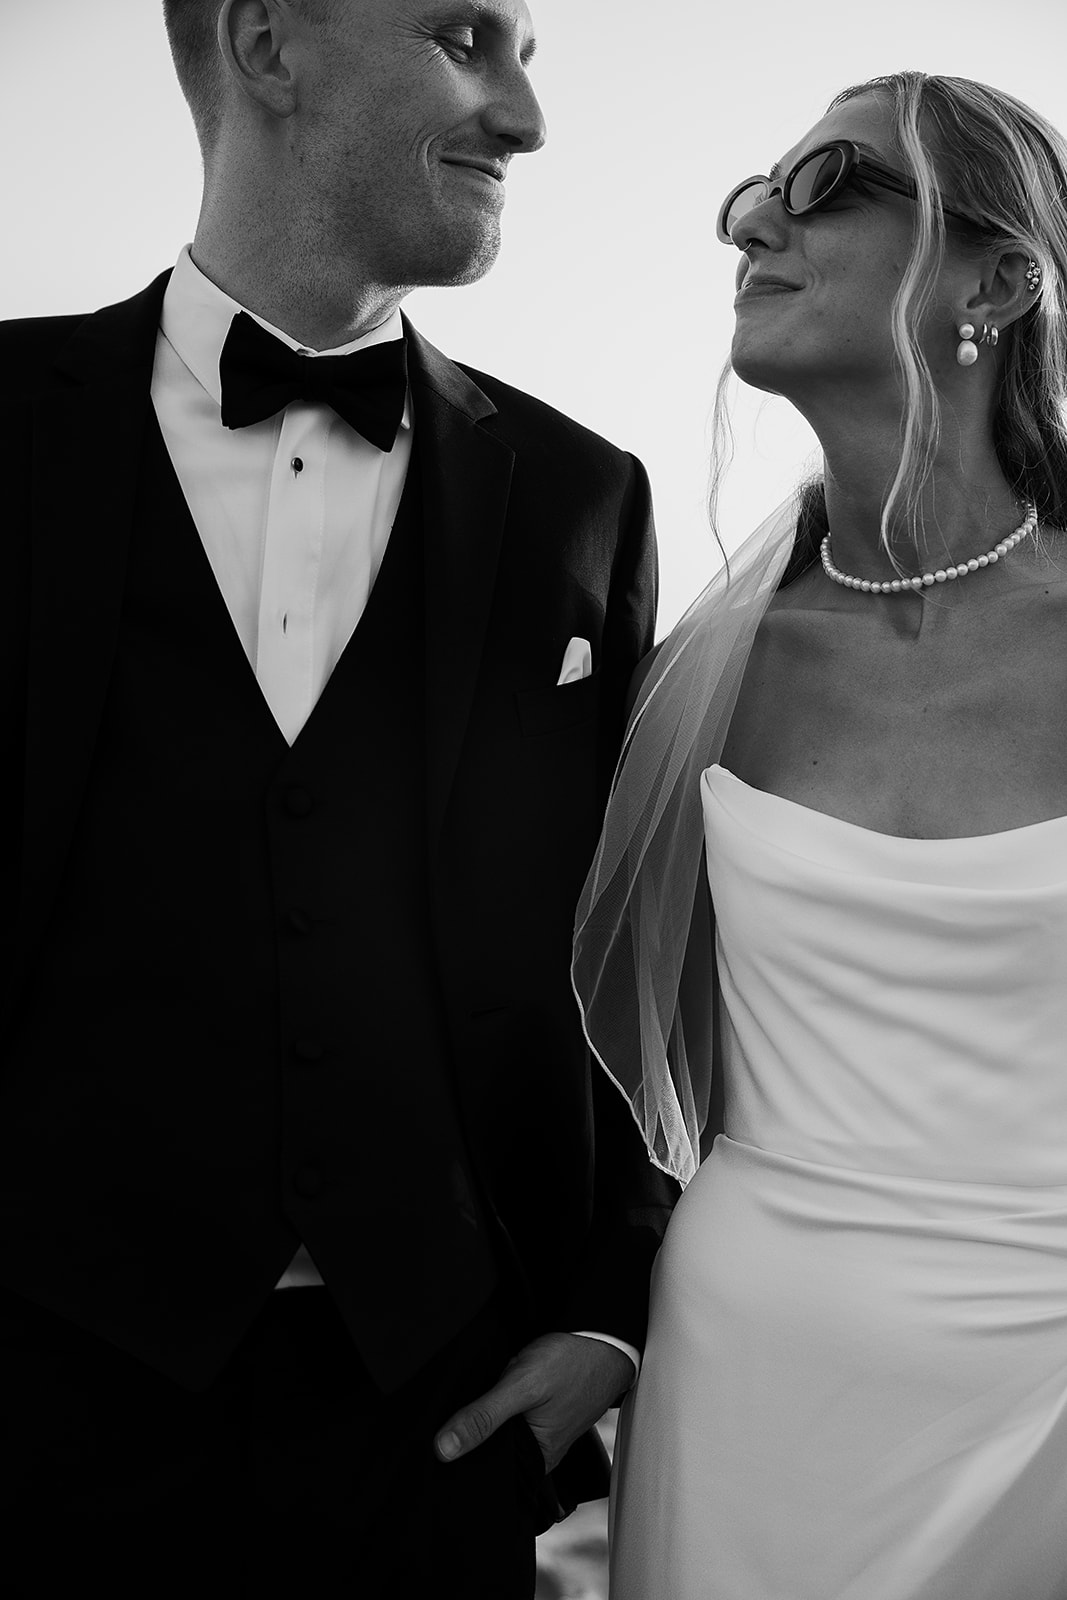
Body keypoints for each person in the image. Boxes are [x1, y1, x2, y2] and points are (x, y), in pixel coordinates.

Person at [0, 1, 674, 1591]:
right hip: (35, 1399)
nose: (522, 117)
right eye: (465, 37)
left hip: (435, 1422)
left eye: (528, 56)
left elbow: (638, 954)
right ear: (268, 46)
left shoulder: (585, 498)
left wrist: (609, 1307)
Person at [573, 70, 1067, 1599]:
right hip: (745, 1402)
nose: (754, 227)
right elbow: (580, 1051)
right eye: (751, 196)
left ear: (996, 278)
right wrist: (589, 1320)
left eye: (831, 184)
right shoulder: (699, 682)